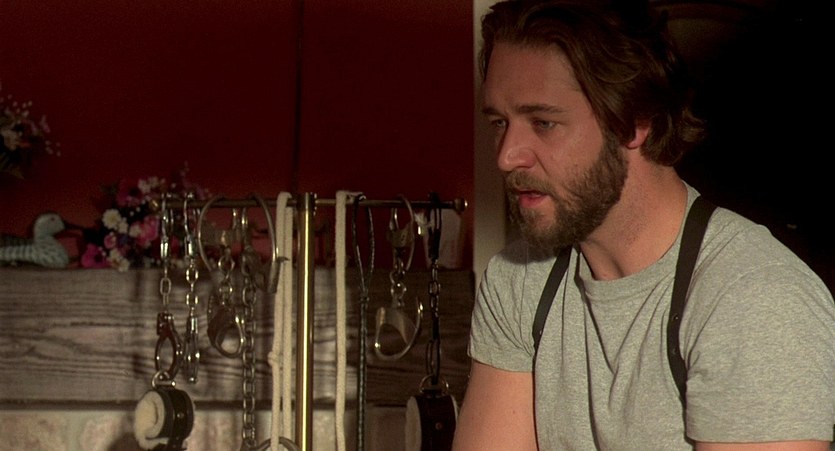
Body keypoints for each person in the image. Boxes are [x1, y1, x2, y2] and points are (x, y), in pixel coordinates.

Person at [453, 0, 835, 449]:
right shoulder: (520, 279)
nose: (506, 156)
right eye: (500, 122)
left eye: (544, 122)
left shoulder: (755, 300)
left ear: (634, 122)